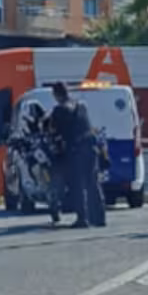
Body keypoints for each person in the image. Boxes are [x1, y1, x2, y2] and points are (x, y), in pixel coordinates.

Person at [48, 82, 106, 229]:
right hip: (91, 148)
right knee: (93, 183)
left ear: (56, 95)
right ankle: (100, 217)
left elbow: (53, 131)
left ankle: (83, 218)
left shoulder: (59, 110)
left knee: (77, 184)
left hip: (76, 150)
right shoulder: (81, 106)